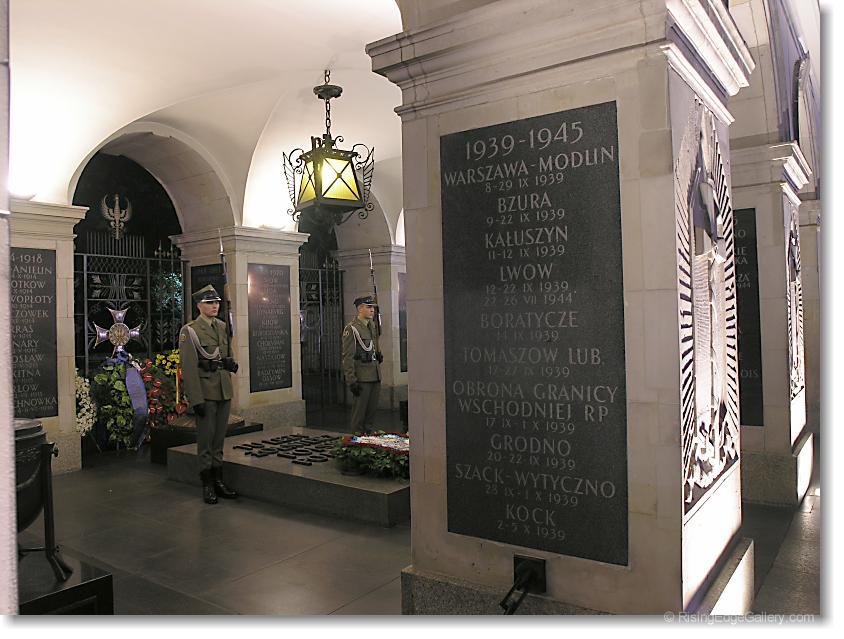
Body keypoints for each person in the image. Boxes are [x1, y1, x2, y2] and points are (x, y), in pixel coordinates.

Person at [179, 284, 239, 504]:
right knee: (206, 441)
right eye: (210, 303)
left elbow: (226, 354)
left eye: (216, 303)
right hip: (205, 392)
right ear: (199, 305)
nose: (215, 306)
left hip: (223, 389)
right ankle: (207, 484)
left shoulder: (222, 326)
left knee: (219, 439)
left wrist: (230, 363)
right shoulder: (190, 331)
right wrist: (196, 399)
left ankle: (219, 480)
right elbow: (188, 368)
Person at [342, 295, 383, 432]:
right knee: (359, 416)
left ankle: (368, 439)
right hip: (362, 378)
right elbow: (348, 357)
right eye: (369, 307)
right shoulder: (352, 329)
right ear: (360, 309)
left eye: (373, 308)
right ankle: (357, 440)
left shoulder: (372, 326)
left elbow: (374, 345)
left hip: (375, 375)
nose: (372, 310)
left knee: (371, 414)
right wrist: (351, 381)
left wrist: (378, 353)